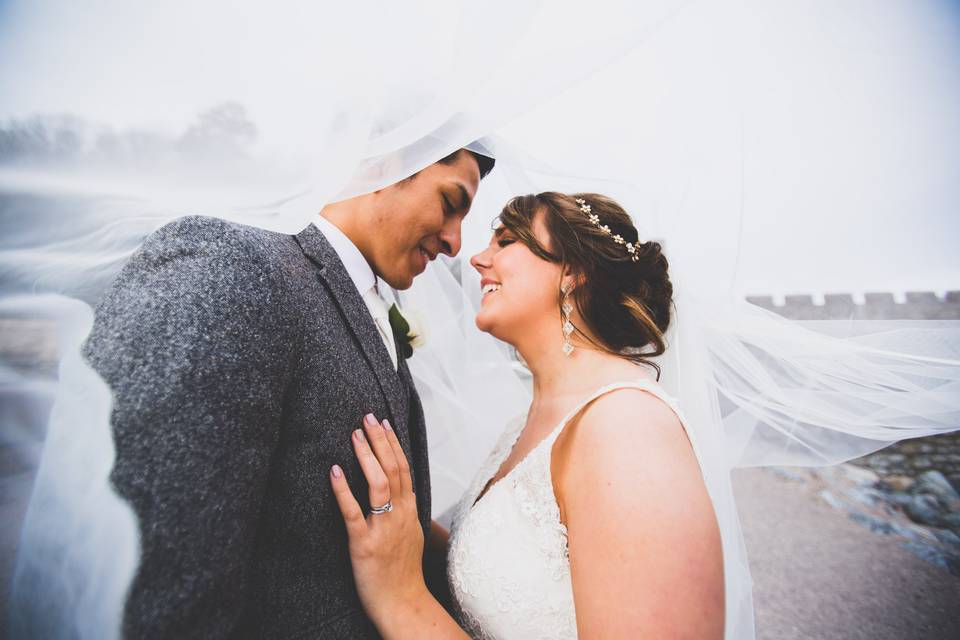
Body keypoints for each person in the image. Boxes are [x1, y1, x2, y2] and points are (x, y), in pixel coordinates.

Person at [29, 148, 493, 639]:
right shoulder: (234, 262)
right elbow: (150, 568)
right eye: (449, 202)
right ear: (387, 163)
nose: (455, 243)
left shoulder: (365, 301)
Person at [330, 191, 725, 639]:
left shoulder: (627, 428)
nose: (477, 259)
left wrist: (401, 598)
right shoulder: (527, 426)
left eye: (506, 241)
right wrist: (401, 525)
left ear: (573, 271)